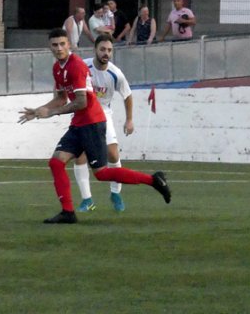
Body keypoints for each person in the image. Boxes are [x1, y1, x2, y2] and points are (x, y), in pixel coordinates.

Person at [17, 28, 172, 224]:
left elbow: (81, 102)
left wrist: (52, 112)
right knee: (56, 162)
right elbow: (61, 98)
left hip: (92, 122)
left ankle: (154, 180)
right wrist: (39, 110)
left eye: (62, 44)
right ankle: (68, 212)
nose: (59, 48)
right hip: (79, 123)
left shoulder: (77, 66)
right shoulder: (58, 68)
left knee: (102, 173)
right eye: (55, 45)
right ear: (50, 47)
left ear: (69, 45)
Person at [73, 35, 134, 213]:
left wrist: (129, 119)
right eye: (102, 49)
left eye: (109, 50)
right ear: (95, 50)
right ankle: (87, 200)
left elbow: (127, 95)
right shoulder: (83, 67)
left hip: (103, 114)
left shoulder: (116, 73)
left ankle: (115, 194)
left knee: (113, 155)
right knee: (80, 156)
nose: (106, 53)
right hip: (84, 114)